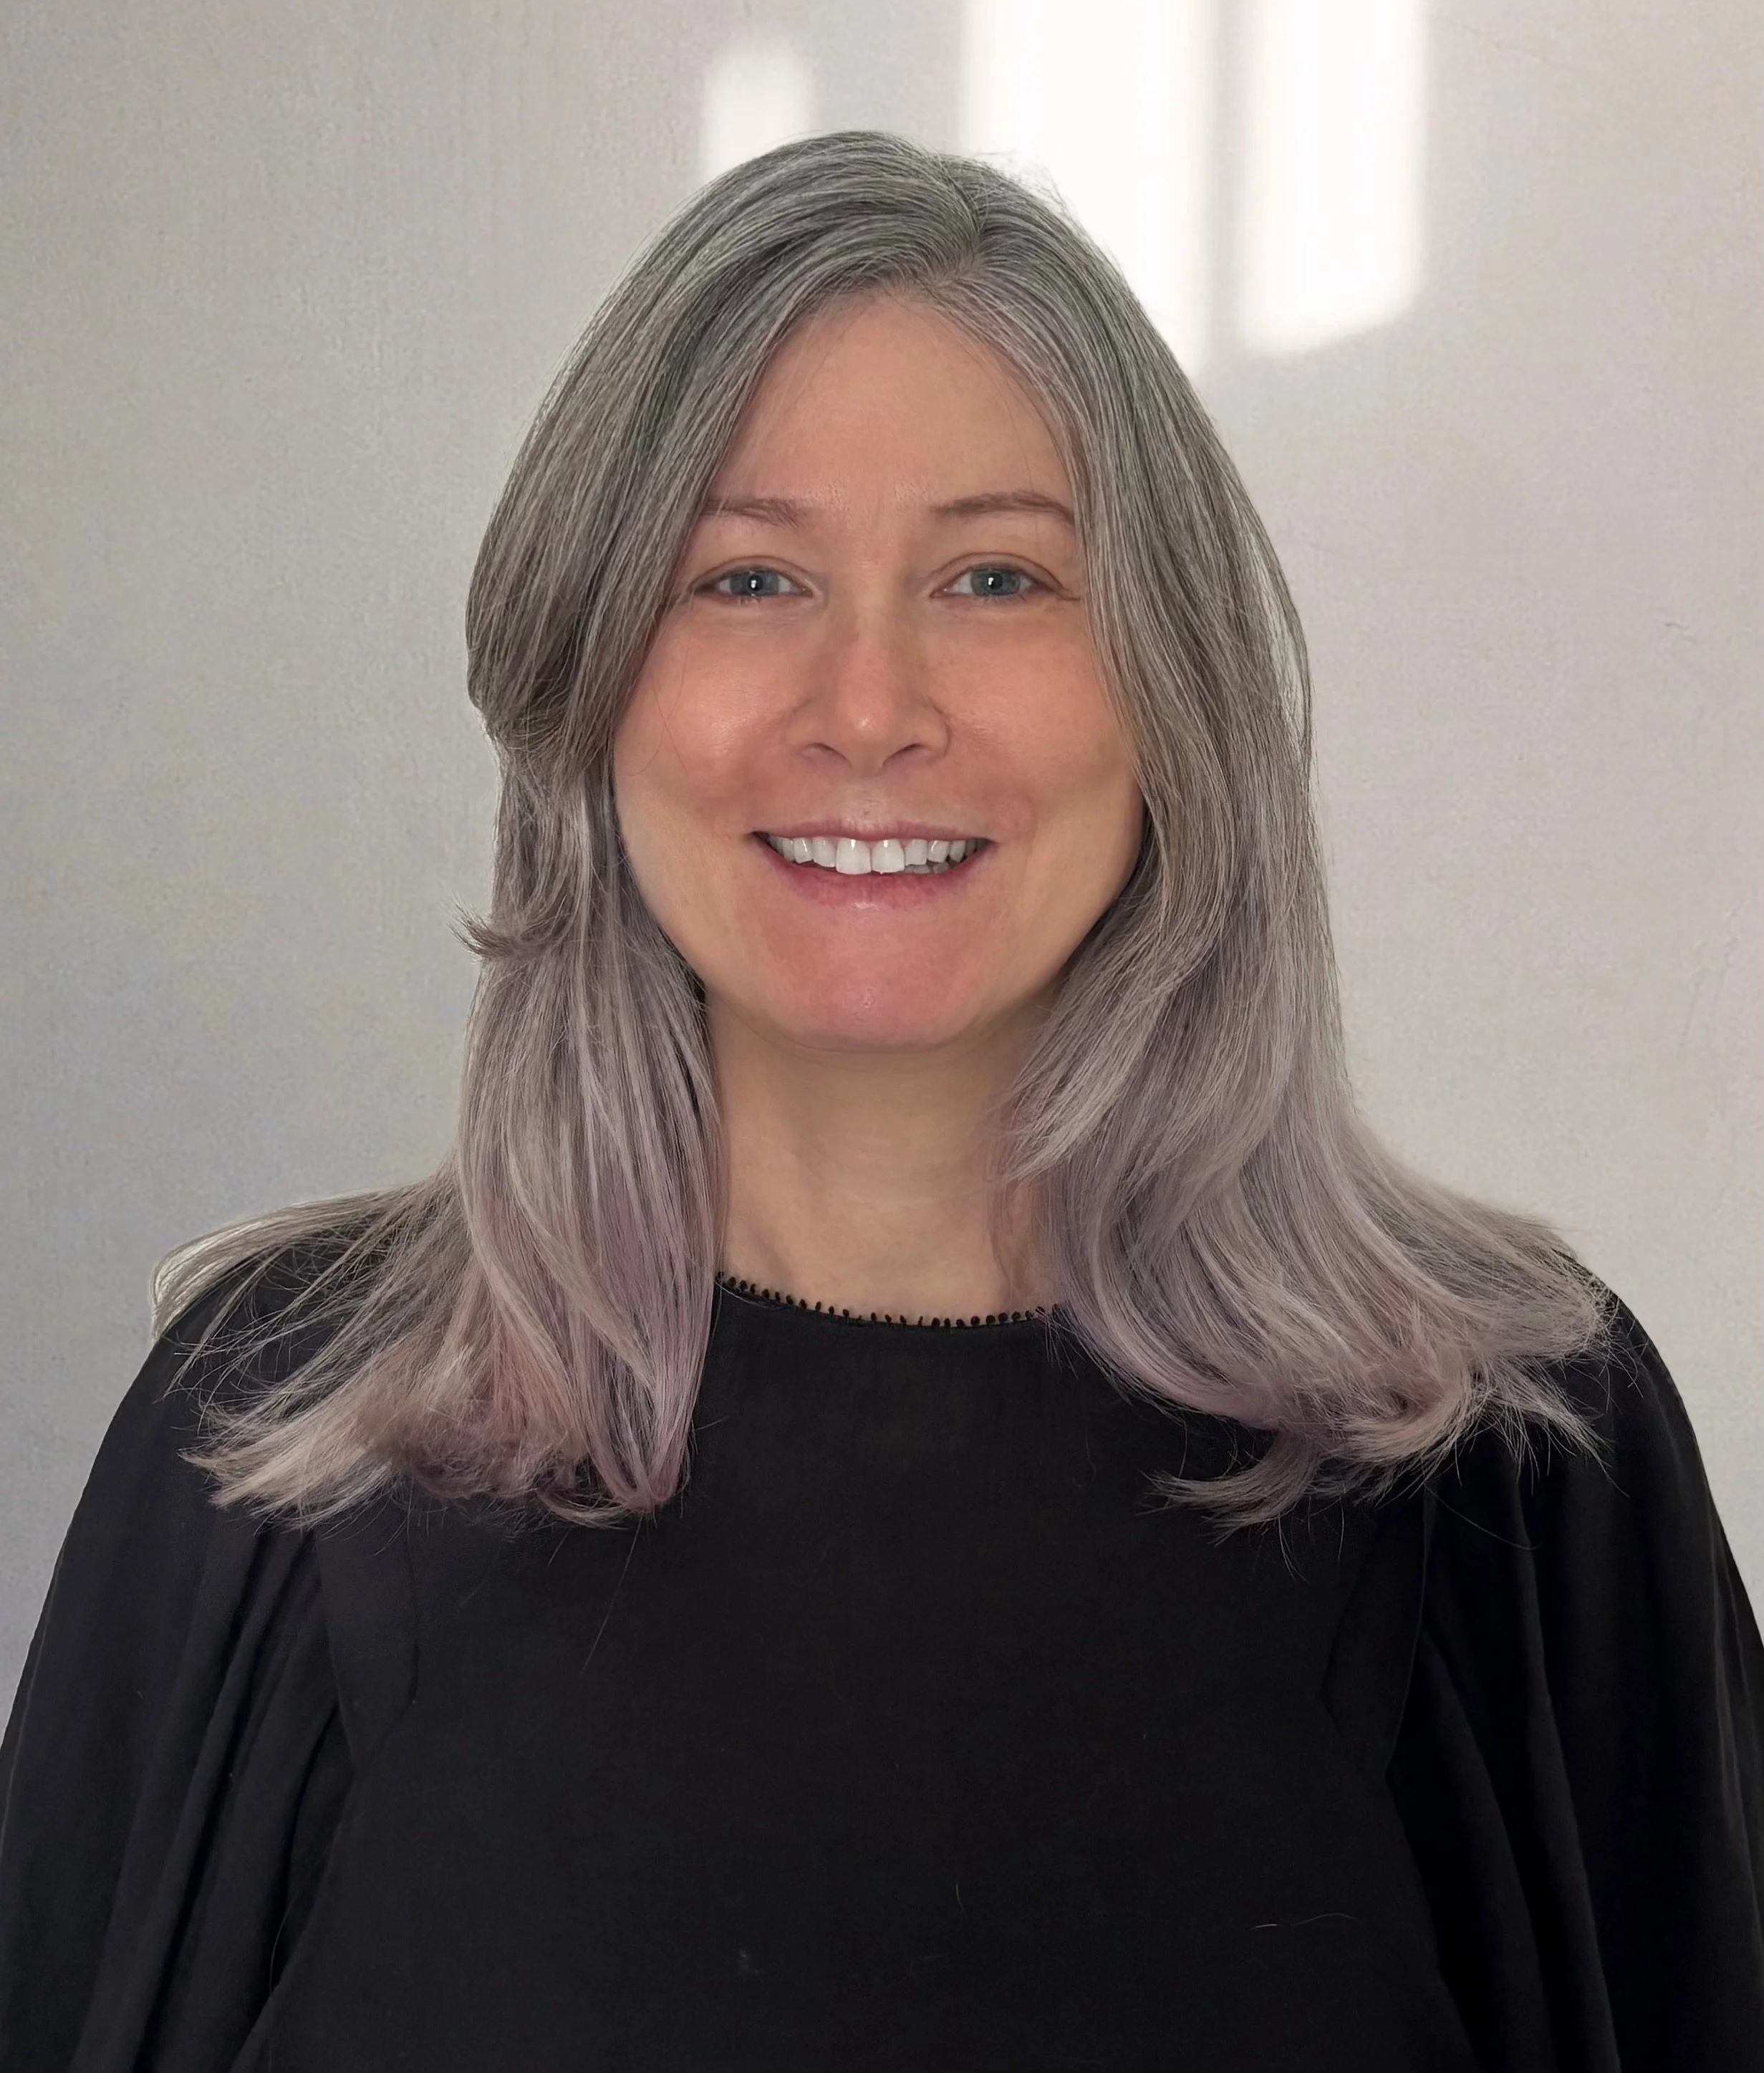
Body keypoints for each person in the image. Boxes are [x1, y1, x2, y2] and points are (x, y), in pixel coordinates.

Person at [1, 130, 1760, 2072]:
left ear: (1172, 694)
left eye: (996, 575)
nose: (866, 702)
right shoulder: (278, 1449)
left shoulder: (1519, 1474)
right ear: (586, 686)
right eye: (745, 576)